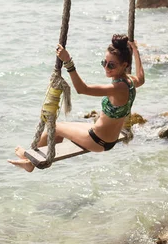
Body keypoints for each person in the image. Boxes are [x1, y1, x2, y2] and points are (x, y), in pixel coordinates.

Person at [8, 34, 145, 172]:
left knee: (55, 127)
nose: (106, 68)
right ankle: (32, 160)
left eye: (111, 65)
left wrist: (68, 62)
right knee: (62, 128)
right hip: (106, 138)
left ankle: (30, 163)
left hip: (97, 141)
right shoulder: (130, 82)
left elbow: (82, 89)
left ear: (125, 65)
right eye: (104, 63)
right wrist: (136, 51)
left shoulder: (117, 88)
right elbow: (141, 78)